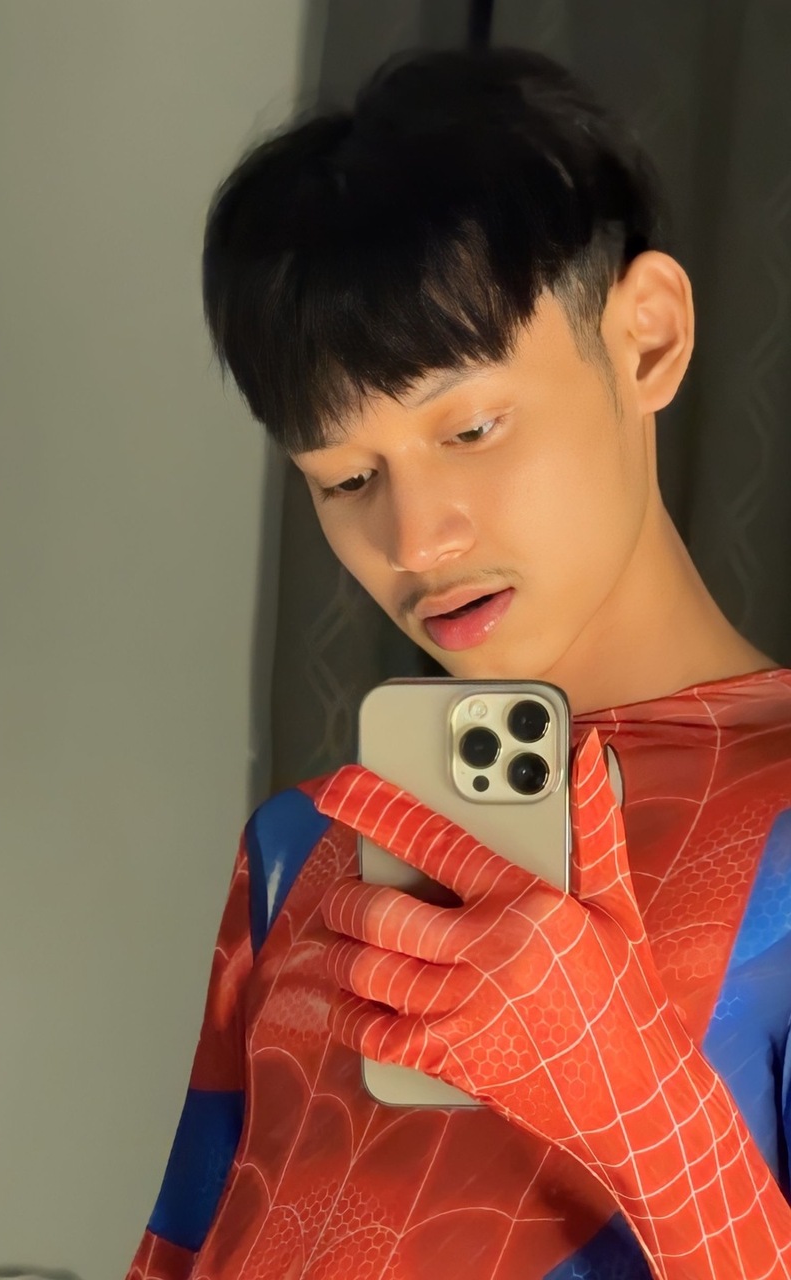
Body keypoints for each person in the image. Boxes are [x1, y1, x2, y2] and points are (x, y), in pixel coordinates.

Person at [125, 47, 791, 1280]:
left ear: (644, 338)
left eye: (472, 427)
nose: (415, 540)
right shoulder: (300, 848)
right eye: (345, 479)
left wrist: (640, 1112)